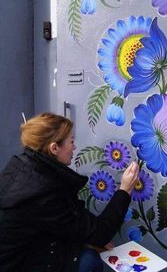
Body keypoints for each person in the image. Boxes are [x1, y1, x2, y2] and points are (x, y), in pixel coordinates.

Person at [0, 113, 139, 272]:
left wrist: (84, 240)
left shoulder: (23, 167)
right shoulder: (43, 194)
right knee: (89, 261)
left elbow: (55, 224)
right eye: (71, 141)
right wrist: (125, 190)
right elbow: (101, 232)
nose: (74, 147)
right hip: (17, 265)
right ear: (54, 148)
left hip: (24, 253)